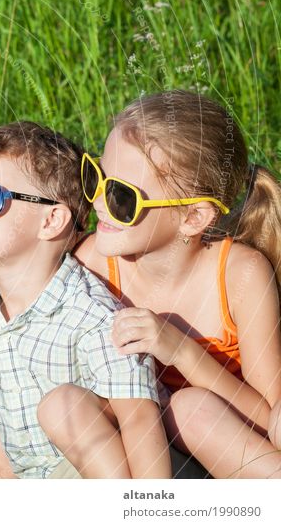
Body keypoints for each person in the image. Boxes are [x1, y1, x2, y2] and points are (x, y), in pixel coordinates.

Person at [39, 90, 281, 478]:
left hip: (234, 456)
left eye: (122, 196)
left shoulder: (240, 275)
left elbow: (270, 418)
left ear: (192, 218)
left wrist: (183, 353)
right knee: (66, 403)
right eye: (96, 176)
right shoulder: (95, 264)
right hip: (148, 460)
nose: (99, 201)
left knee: (190, 410)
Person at [0, 122, 169, 479]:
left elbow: (140, 420)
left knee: (64, 406)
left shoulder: (92, 315)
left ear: (51, 220)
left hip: (118, 476)